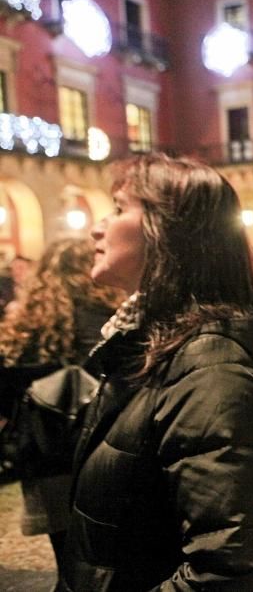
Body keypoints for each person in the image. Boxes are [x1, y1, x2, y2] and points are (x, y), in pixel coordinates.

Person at [57, 154, 253, 590]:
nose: (97, 227)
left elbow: (228, 569)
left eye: (119, 208)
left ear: (167, 232)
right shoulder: (149, 347)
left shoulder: (211, 368)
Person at [0, 239, 121, 573]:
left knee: (68, 556)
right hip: (105, 452)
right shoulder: (111, 320)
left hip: (47, 458)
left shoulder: (26, 328)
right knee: (111, 557)